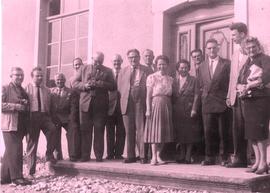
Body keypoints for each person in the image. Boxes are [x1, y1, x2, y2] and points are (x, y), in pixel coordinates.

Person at [72, 51, 115, 162]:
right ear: (92, 59)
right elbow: (74, 83)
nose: (97, 64)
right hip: (85, 104)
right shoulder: (83, 68)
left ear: (103, 61)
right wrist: (85, 85)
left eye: (100, 62)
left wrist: (102, 84)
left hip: (100, 107)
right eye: (96, 61)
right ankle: (85, 156)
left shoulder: (108, 71)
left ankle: (99, 156)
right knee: (85, 130)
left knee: (99, 130)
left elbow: (113, 86)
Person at [237, 37, 270, 174]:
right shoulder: (246, 62)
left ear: (258, 46)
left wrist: (250, 84)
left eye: (253, 47)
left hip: (260, 99)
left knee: (260, 132)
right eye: (248, 48)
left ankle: (263, 163)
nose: (251, 50)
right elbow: (240, 79)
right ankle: (257, 161)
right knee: (252, 133)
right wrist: (240, 86)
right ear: (245, 49)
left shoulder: (265, 58)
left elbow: (268, 75)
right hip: (248, 100)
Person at [197, 38, 231, 166]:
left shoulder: (226, 64)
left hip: (222, 102)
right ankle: (209, 157)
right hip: (207, 102)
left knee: (223, 131)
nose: (212, 50)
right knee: (208, 131)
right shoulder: (202, 66)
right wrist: (203, 97)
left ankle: (224, 157)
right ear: (206, 50)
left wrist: (227, 98)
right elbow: (200, 85)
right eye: (209, 48)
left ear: (218, 48)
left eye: (214, 47)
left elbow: (230, 82)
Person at [118, 49, 150, 164]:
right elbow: (119, 87)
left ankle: (142, 155)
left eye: (135, 57)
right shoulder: (123, 71)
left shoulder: (146, 70)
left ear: (139, 57)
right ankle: (130, 155)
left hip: (140, 102)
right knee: (129, 130)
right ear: (128, 59)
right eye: (131, 57)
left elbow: (149, 87)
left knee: (141, 129)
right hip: (127, 102)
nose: (133, 59)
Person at [1, 67, 31, 185]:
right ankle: (17, 178)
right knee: (16, 150)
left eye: (21, 75)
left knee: (10, 151)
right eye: (17, 75)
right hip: (9, 124)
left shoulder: (22, 90)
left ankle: (4, 177)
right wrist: (16, 106)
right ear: (11, 76)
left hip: (20, 125)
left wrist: (25, 103)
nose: (20, 77)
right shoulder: (5, 88)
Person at [25, 67, 57, 178]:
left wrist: (51, 118)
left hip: (44, 116)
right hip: (32, 117)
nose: (40, 77)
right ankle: (30, 172)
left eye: (41, 75)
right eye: (37, 76)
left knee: (53, 130)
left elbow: (51, 106)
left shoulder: (47, 90)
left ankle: (48, 160)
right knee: (32, 143)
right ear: (32, 76)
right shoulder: (26, 89)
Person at [226, 22, 249, 168]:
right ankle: (240, 159)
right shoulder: (234, 54)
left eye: (234, 34)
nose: (232, 37)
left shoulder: (253, 50)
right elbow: (232, 77)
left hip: (248, 96)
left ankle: (253, 158)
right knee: (237, 128)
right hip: (235, 97)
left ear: (242, 34)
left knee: (250, 128)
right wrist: (229, 95)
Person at [144, 55, 174, 165]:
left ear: (167, 65)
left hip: (167, 105)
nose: (162, 66)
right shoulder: (151, 77)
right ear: (156, 65)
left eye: (164, 64)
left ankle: (158, 155)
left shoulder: (170, 79)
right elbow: (148, 95)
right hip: (155, 104)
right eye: (159, 64)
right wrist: (148, 109)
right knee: (154, 131)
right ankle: (153, 157)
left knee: (164, 132)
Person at [173, 59, 201, 164]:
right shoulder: (174, 81)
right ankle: (182, 154)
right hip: (178, 111)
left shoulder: (194, 80)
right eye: (181, 67)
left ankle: (188, 156)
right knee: (180, 133)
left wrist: (194, 109)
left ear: (188, 69)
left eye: (185, 67)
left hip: (189, 110)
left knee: (189, 133)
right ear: (178, 69)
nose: (183, 69)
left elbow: (197, 95)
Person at [51, 73, 80, 162]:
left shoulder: (71, 92)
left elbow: (73, 107)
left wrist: (71, 119)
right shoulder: (51, 92)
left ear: (65, 80)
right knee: (53, 130)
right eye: (57, 80)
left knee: (73, 129)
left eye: (61, 80)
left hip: (67, 117)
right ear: (55, 81)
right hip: (55, 118)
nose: (60, 81)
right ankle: (57, 156)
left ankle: (73, 155)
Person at [106, 54, 126, 160]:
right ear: (111, 62)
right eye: (115, 61)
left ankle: (118, 154)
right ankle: (109, 154)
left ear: (122, 61)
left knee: (121, 131)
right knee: (109, 131)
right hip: (110, 106)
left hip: (122, 105)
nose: (116, 63)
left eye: (118, 61)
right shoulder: (108, 73)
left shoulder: (125, 72)